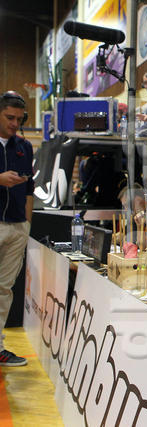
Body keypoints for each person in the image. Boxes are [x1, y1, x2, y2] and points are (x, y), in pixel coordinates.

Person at [0, 91, 34, 366]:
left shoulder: (24, 146)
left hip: (17, 227)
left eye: (19, 119)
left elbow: (30, 188)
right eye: (9, 117)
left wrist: (27, 224)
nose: (14, 123)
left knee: (4, 289)